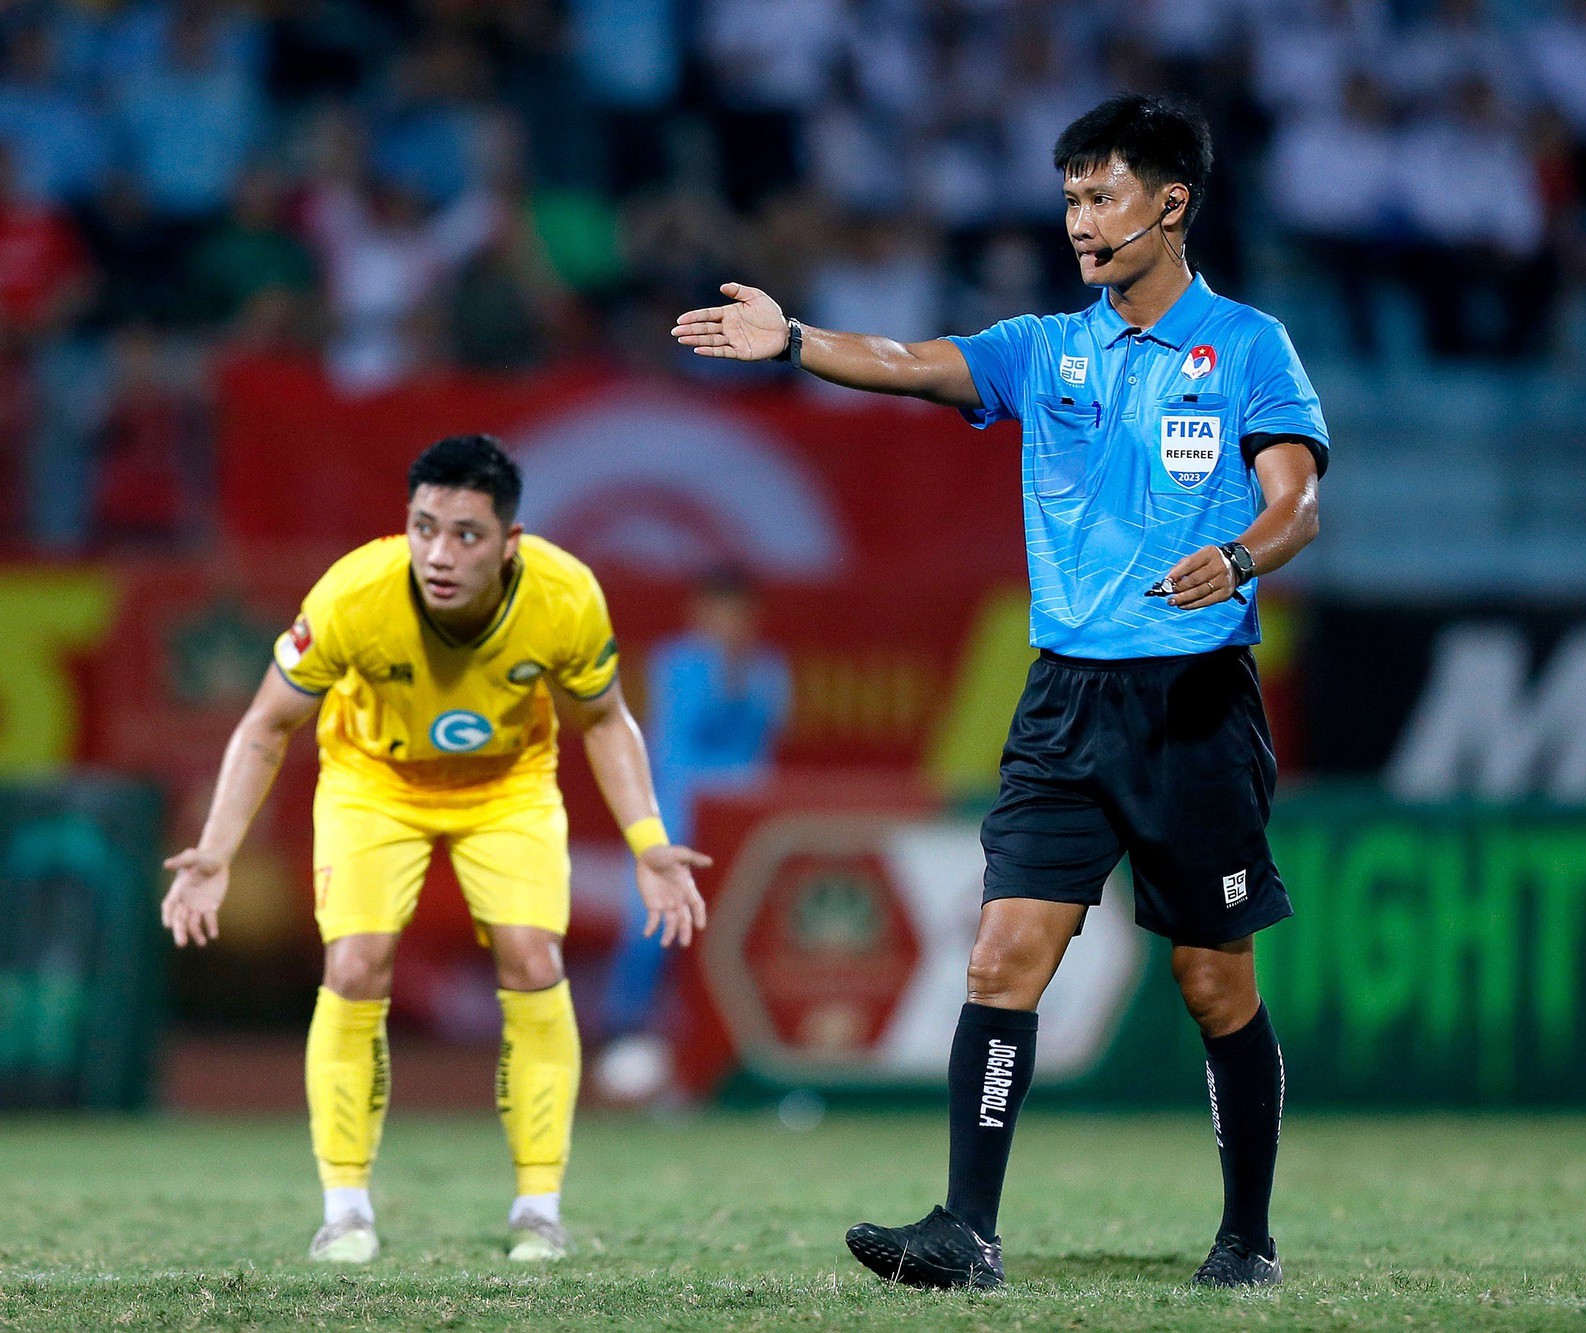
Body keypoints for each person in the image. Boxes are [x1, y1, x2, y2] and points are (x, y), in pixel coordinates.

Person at [675, 92, 1326, 1291]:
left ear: (1169, 202)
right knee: (997, 958)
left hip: (1192, 709)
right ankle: (965, 1234)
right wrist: (799, 339)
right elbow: (915, 363)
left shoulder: (1246, 347)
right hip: (1064, 703)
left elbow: (1295, 503)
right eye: (1070, 196)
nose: (1079, 219)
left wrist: (1238, 556)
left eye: (1103, 194)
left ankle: (1247, 1236)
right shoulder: (1045, 348)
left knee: (1211, 977)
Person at [158, 435, 711, 1264]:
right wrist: (214, 850)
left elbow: (603, 719)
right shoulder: (354, 595)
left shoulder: (565, 596)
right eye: (424, 528)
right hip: (374, 781)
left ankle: (539, 1207)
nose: (438, 554)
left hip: (507, 786)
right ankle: (344, 1210)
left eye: (465, 535)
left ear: (510, 542)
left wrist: (650, 842)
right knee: (353, 967)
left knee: (533, 961)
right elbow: (268, 723)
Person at [597, 569, 789, 1094]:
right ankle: (623, 1028)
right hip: (680, 815)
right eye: (718, 612)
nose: (729, 623)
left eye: (739, 613)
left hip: (745, 822)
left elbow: (761, 747)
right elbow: (678, 742)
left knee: (740, 929)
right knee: (654, 928)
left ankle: (735, 1044)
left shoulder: (771, 669)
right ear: (699, 615)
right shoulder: (675, 662)